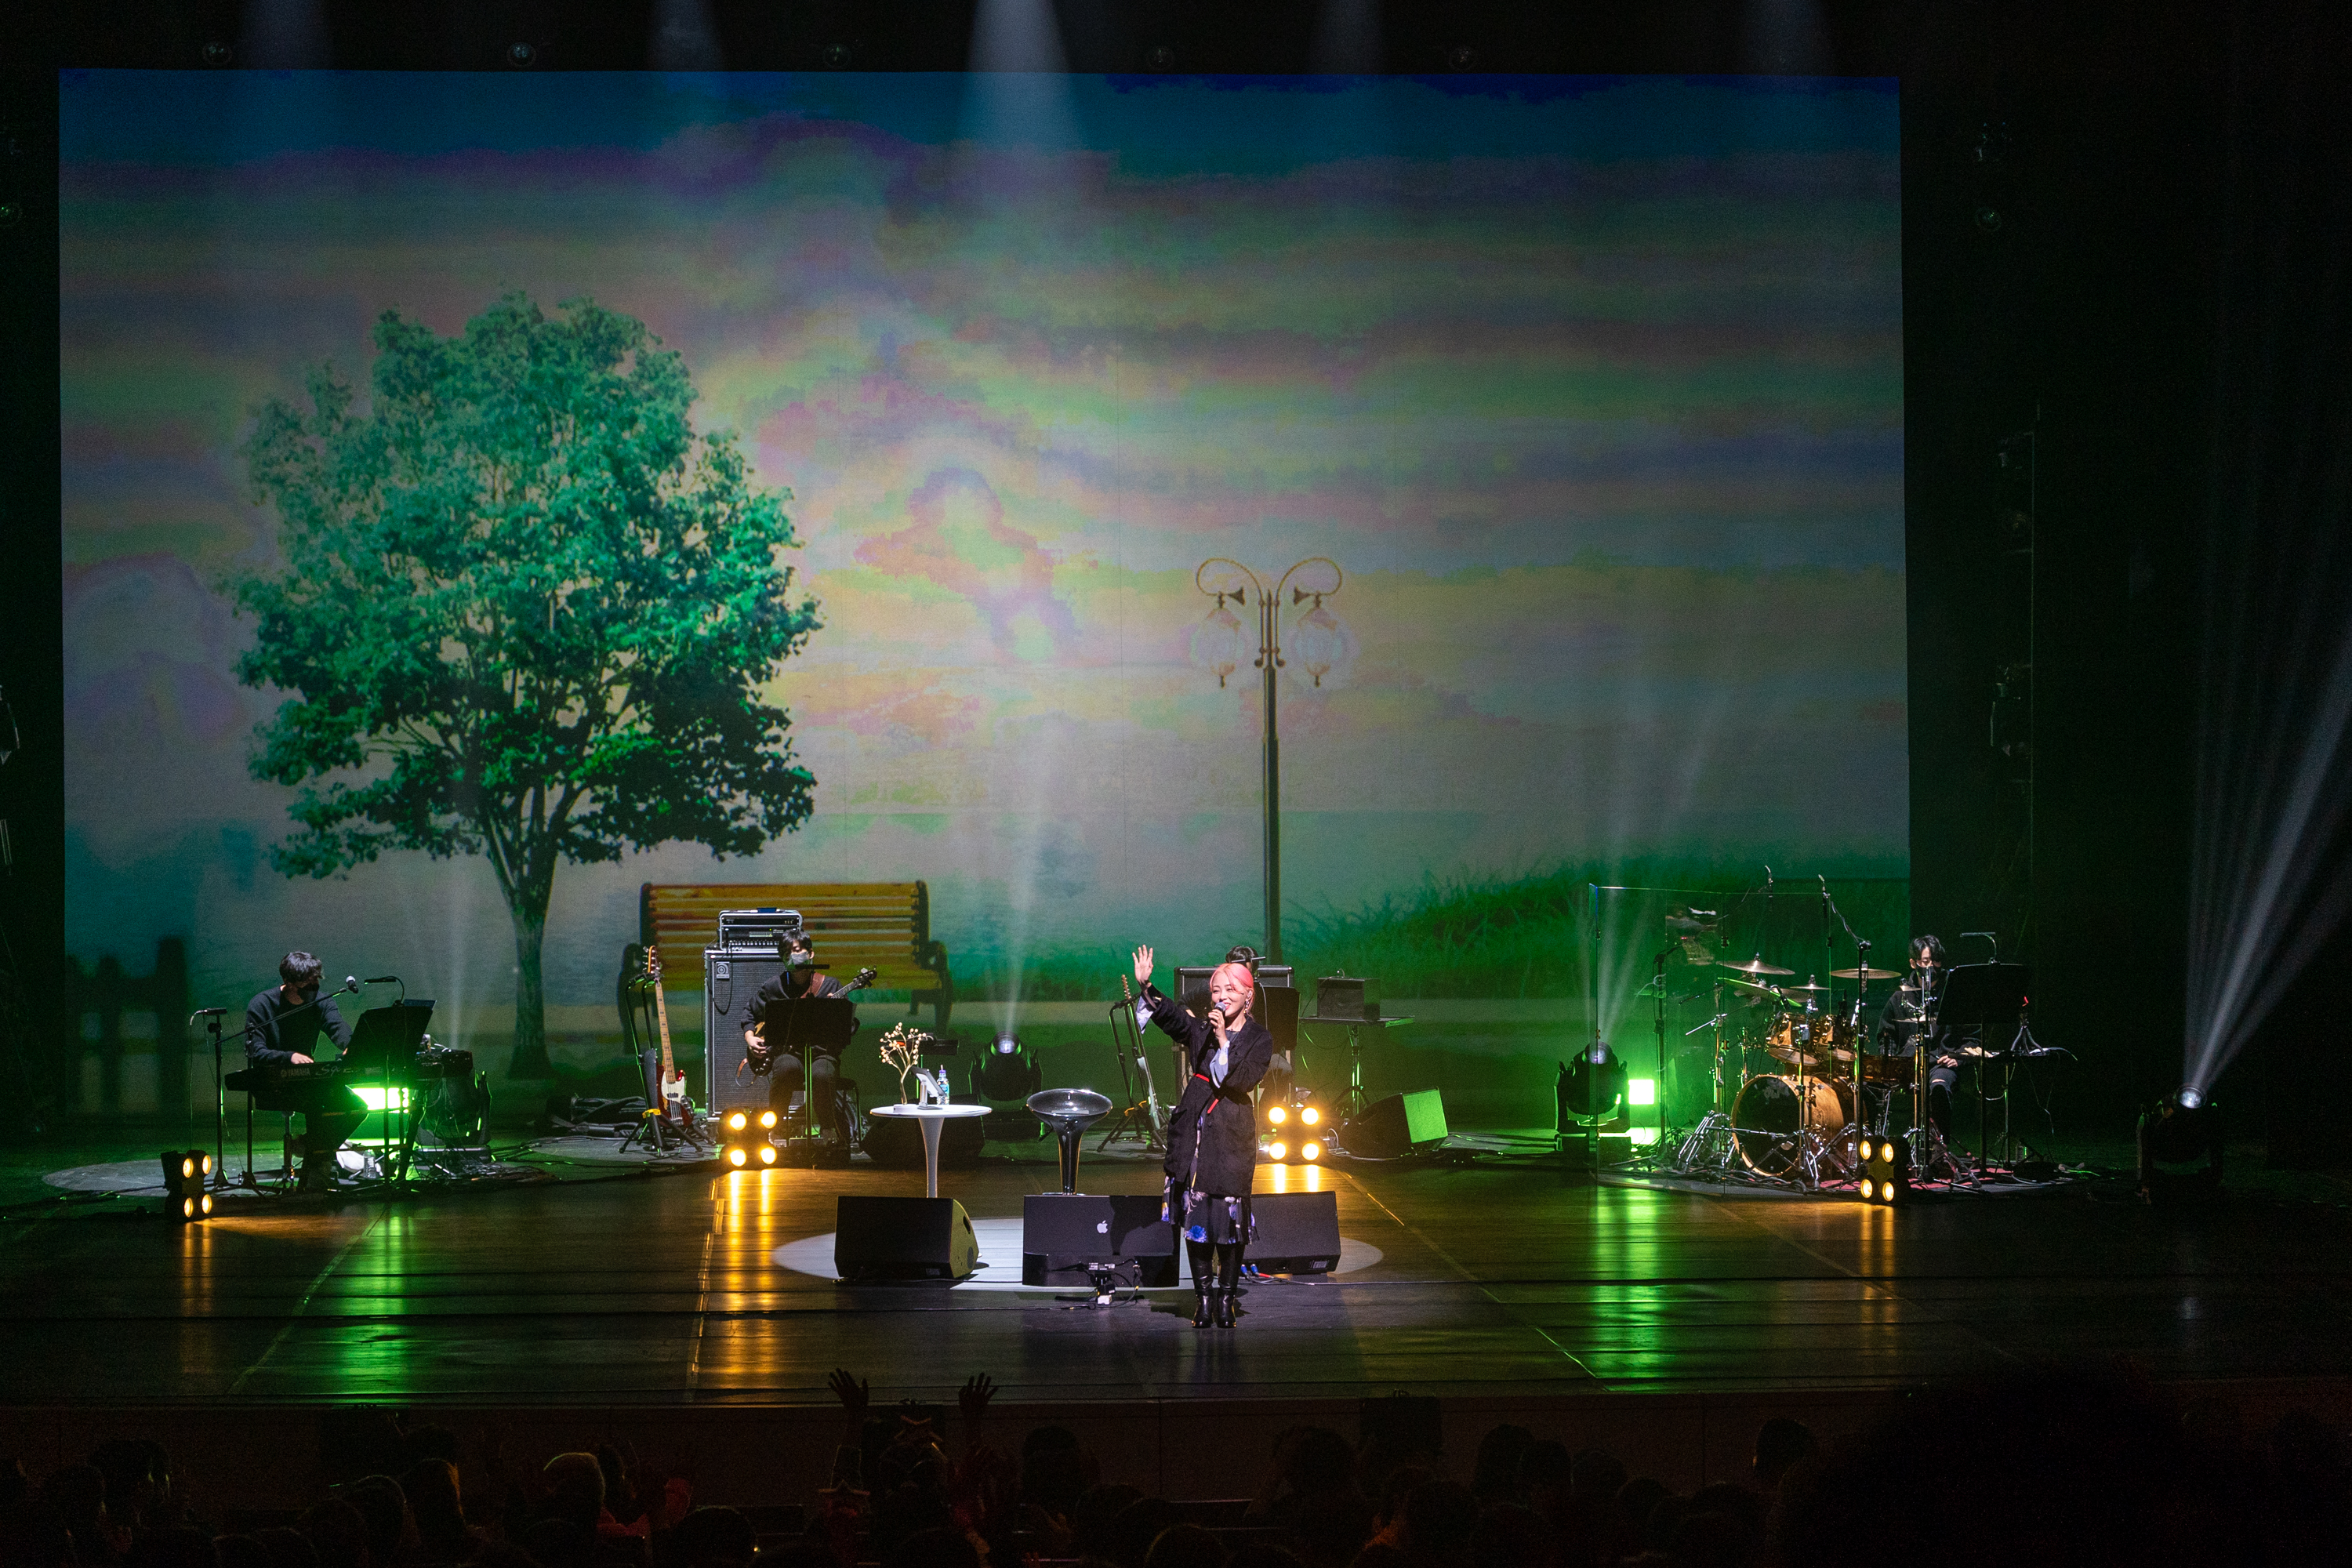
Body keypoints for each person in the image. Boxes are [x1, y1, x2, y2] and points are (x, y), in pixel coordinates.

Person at [1131, 944, 1271, 1329]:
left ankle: (1226, 1300)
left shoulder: (1259, 1038)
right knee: (1196, 1223)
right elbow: (1173, 1018)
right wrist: (1147, 987)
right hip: (1193, 1134)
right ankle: (1204, 1299)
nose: (1222, 997)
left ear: (1247, 995)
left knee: (1229, 1225)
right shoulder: (1202, 1030)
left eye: (1230, 990)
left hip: (1231, 1137)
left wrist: (1224, 1040)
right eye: (1216, 990)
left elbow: (1242, 1080)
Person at [245, 950, 365, 1191]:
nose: (314, 988)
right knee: (321, 1107)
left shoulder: (321, 1001)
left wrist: (351, 1046)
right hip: (274, 1081)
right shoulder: (262, 1004)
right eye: (307, 984)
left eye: (316, 981)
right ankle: (314, 1184)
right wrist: (289, 1057)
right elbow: (255, 1051)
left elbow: (337, 1027)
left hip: (307, 1081)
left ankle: (308, 1147)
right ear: (289, 983)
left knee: (357, 1108)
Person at [741, 931, 863, 1160]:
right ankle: (776, 1127)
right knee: (786, 1068)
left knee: (821, 1074)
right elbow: (750, 1012)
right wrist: (750, 1037)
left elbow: (848, 1026)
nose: (793, 956)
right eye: (787, 953)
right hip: (789, 1052)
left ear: (811, 953)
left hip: (822, 1053)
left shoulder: (830, 985)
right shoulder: (773, 987)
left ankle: (828, 1129)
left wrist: (834, 1015)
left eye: (797, 950)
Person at [1875, 935, 1958, 1142]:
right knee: (1869, 1086)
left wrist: (1958, 1056)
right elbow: (1886, 1035)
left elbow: (1971, 1036)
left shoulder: (1952, 992)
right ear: (1914, 963)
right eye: (1927, 961)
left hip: (1940, 1064)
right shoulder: (1900, 997)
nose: (1933, 966)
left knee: (1939, 1088)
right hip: (1908, 1064)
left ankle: (1939, 1148)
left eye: (1936, 961)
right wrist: (1890, 1061)